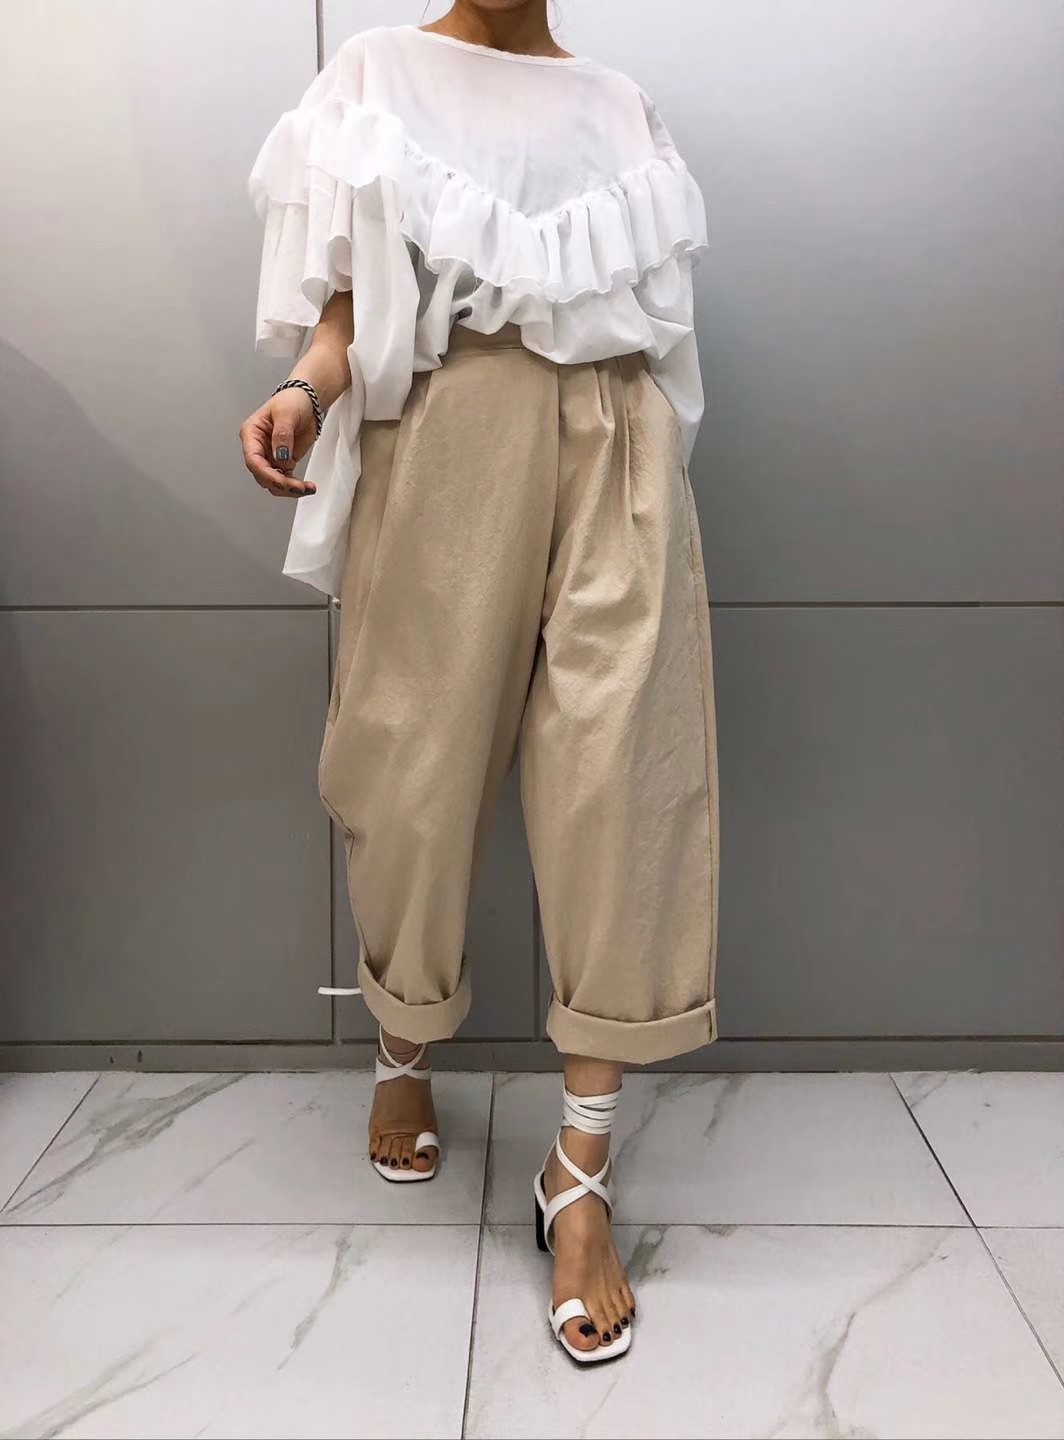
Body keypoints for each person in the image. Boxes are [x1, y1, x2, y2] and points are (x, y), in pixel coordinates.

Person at [238, 0, 720, 1365]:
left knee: (625, 789)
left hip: (620, 437)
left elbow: (655, 323)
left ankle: (580, 1170)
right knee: (410, 774)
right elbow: (352, 301)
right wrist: (307, 391)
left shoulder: (620, 106)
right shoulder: (379, 72)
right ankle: (405, 1043)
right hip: (452, 430)